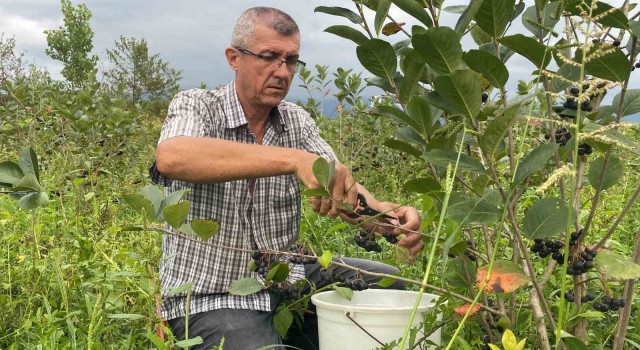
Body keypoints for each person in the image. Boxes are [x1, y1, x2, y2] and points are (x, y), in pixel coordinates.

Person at [150, 6, 424, 350]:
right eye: (269, 57)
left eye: (291, 60)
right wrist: (294, 160)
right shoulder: (198, 105)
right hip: (211, 294)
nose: (282, 71)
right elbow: (173, 156)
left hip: (287, 279)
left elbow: (343, 191)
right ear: (234, 58)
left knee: (388, 284)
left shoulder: (296, 121)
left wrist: (387, 217)